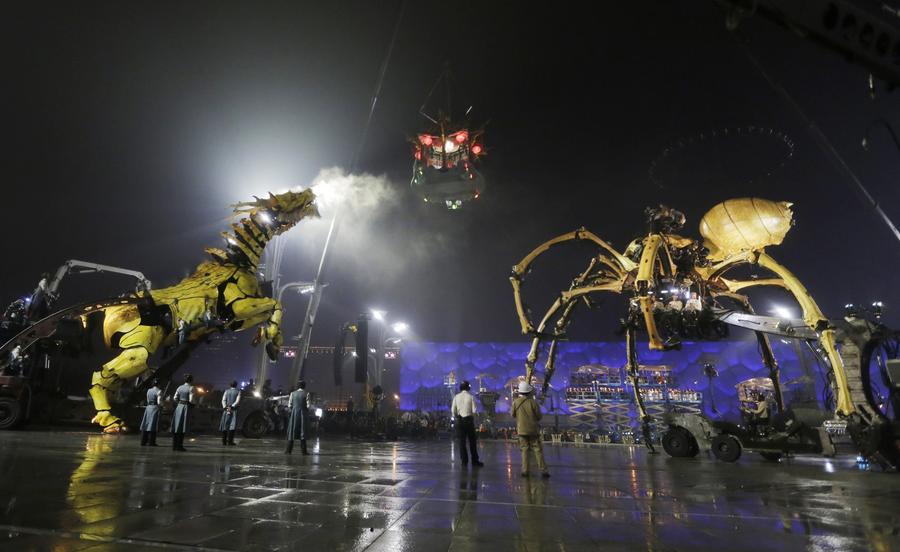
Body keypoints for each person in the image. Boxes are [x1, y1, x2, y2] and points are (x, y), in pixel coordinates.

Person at [512, 381, 549, 478]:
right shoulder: (533, 403)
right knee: (537, 450)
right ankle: (543, 470)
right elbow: (539, 416)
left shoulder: (515, 402)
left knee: (524, 450)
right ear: (529, 392)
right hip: (533, 430)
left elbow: (512, 414)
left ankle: (525, 471)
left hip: (522, 430)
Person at [451, 381, 483, 467]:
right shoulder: (471, 397)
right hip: (469, 421)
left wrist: (457, 416)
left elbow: (453, 411)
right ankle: (475, 461)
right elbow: (475, 411)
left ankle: (464, 461)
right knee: (472, 442)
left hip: (460, 421)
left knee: (462, 442)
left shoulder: (456, 397)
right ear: (468, 388)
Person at [170, 374, 195, 451]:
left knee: (177, 426)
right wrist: (193, 404)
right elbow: (191, 400)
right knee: (182, 427)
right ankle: (179, 446)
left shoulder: (179, 387)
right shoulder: (191, 388)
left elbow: (175, 398)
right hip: (186, 407)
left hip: (179, 406)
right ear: (191, 380)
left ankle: (174, 446)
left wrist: (179, 402)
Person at [285, 380, 310, 455]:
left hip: (294, 414)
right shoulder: (307, 394)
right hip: (302, 414)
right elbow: (308, 406)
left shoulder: (292, 393)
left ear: (298, 386)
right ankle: (304, 452)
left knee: (292, 431)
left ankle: (288, 451)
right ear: (304, 386)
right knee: (302, 432)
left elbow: (289, 405)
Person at [140, 379, 162, 446]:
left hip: (148, 407)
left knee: (146, 424)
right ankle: (152, 442)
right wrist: (162, 405)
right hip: (155, 408)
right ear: (159, 384)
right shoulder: (159, 391)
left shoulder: (149, 390)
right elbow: (159, 402)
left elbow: (148, 399)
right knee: (153, 425)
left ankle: (143, 441)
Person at [220, 380, 241, 446]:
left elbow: (223, 400)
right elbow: (237, 402)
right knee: (232, 426)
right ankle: (230, 441)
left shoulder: (226, 391)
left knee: (225, 425)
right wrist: (232, 406)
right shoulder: (238, 391)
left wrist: (225, 407)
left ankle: (224, 441)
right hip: (233, 410)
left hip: (226, 410)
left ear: (230, 385)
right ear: (236, 385)